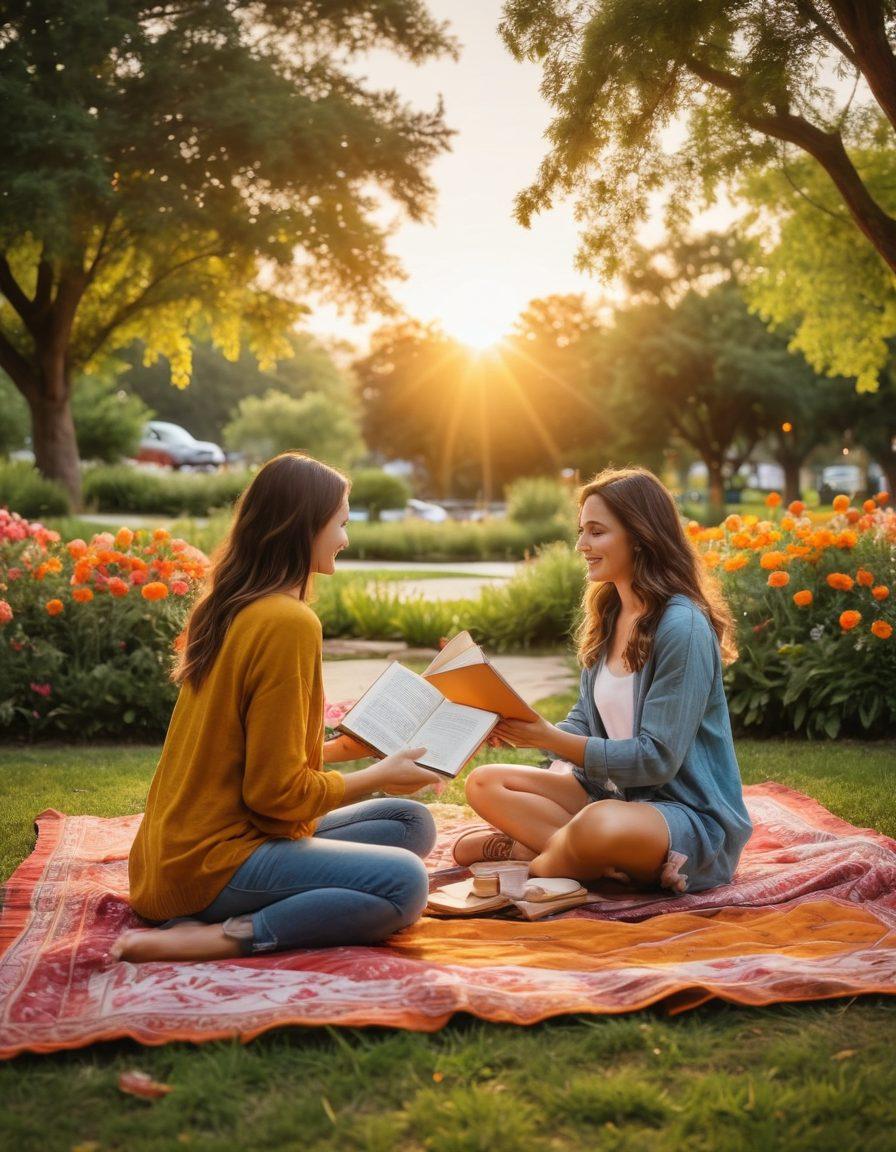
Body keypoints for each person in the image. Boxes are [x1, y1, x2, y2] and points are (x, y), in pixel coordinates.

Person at [112, 453, 440, 963]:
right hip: (211, 865)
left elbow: (249, 757)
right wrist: (379, 773)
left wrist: (336, 750)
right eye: (342, 523)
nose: (346, 539)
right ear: (304, 526)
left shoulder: (234, 604)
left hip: (170, 857)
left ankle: (242, 908)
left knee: (409, 823)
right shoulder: (287, 622)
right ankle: (220, 935)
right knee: (405, 884)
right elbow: (274, 794)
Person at [453, 467, 752, 896]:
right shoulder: (611, 612)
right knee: (486, 782)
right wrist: (517, 727)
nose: (581, 545)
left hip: (684, 815)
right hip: (616, 796)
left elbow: (656, 761)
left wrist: (551, 740)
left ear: (640, 534)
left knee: (599, 823)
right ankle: (582, 858)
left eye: (596, 532)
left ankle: (530, 867)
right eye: (581, 531)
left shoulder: (681, 627)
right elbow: (585, 720)